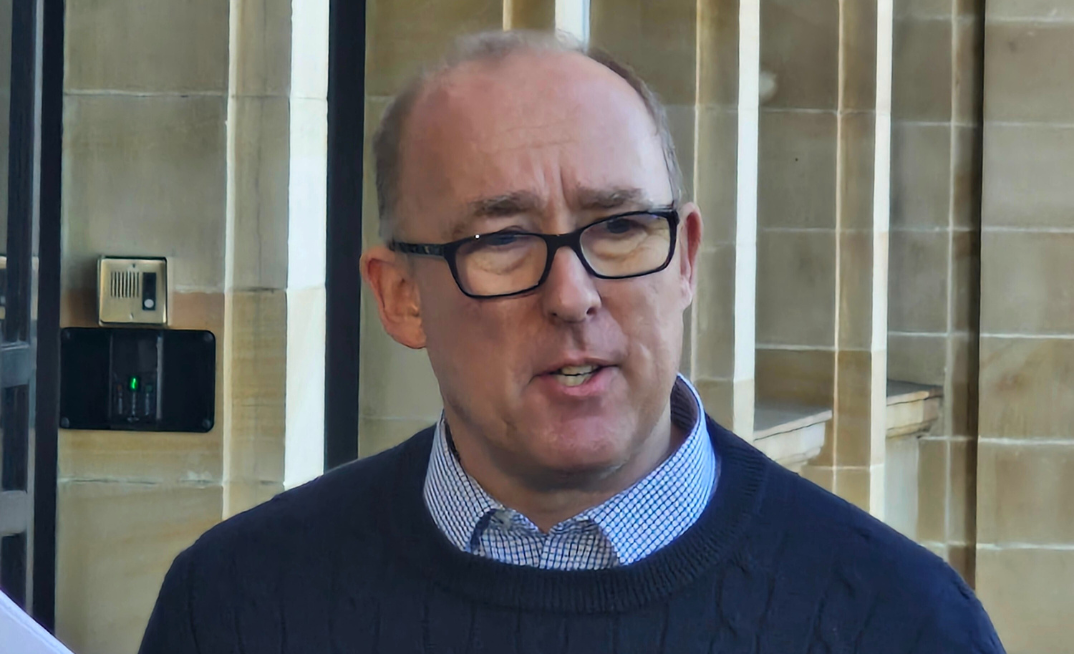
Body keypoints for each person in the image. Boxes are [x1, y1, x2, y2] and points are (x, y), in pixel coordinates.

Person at [139, 30, 1004, 653]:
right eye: (503, 240)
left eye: (621, 226)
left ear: (687, 260)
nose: (572, 295)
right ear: (400, 297)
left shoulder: (896, 621)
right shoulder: (240, 604)